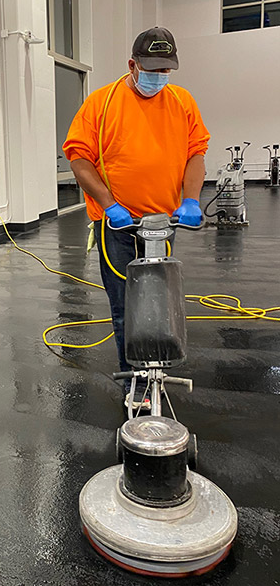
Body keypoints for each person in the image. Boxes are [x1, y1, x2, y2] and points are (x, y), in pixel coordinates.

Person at [62, 27, 210, 410]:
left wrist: (191, 200)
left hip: (163, 222)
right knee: (127, 305)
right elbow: (78, 157)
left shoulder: (182, 102)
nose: (158, 77)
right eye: (151, 69)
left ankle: (157, 370)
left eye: (166, 70)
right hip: (119, 224)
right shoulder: (102, 102)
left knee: (160, 301)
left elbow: (196, 153)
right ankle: (137, 382)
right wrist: (110, 204)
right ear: (132, 64)